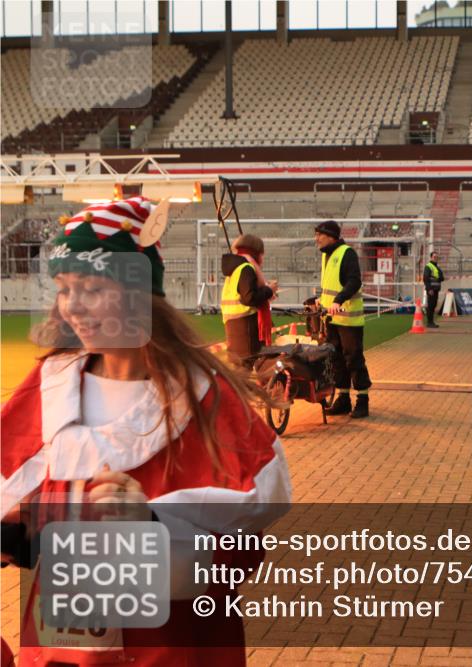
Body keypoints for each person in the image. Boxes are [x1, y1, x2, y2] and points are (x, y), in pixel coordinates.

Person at [0, 197, 291, 665]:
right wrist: (17, 537)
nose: (72, 307)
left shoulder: (204, 400)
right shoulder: (50, 384)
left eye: (91, 288)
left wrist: (151, 529)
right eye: (63, 288)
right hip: (63, 649)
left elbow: (241, 543)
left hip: (172, 649)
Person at [314, 220, 371, 419]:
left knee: (354, 359)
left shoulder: (346, 253)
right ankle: (343, 399)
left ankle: (362, 401)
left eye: (319, 234)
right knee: (336, 359)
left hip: (349, 319)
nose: (316, 238)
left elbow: (354, 281)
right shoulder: (327, 256)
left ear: (330, 235)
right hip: (332, 318)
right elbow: (330, 286)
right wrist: (319, 301)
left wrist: (338, 300)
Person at [220, 233, 278, 367]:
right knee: (249, 371)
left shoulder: (236, 268)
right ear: (255, 252)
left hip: (235, 327)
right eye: (262, 254)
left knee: (241, 370)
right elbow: (250, 298)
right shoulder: (246, 268)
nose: (262, 258)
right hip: (246, 329)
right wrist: (269, 290)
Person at [423, 250, 444, 328]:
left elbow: (442, 277)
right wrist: (429, 289)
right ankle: (429, 322)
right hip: (431, 290)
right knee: (431, 306)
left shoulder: (437, 267)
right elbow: (425, 278)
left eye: (437, 257)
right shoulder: (428, 266)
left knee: (434, 305)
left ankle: (431, 322)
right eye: (434, 257)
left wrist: (438, 278)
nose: (436, 258)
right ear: (431, 257)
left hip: (436, 289)